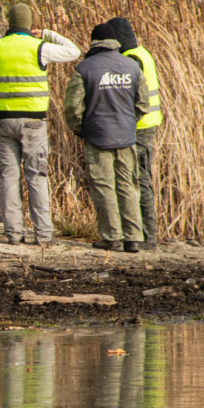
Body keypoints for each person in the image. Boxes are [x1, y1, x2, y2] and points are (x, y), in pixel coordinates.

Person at [0, 3, 81, 245]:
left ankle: (13, 234)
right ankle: (43, 235)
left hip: (5, 121)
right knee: (36, 176)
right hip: (33, 122)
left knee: (9, 178)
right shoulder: (39, 47)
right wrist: (48, 34)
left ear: (10, 22)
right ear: (29, 24)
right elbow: (73, 51)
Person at [64, 22, 150, 253]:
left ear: (93, 42)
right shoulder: (132, 66)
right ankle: (133, 238)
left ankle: (112, 238)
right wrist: (129, 123)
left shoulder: (85, 68)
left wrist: (80, 129)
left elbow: (72, 107)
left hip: (97, 137)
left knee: (104, 186)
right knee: (128, 185)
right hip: (126, 137)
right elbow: (143, 103)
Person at [107, 16, 163, 250]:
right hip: (147, 125)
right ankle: (143, 235)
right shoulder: (142, 53)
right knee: (140, 179)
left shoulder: (132, 60)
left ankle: (147, 237)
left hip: (139, 128)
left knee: (139, 181)